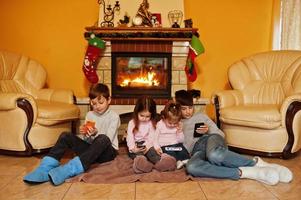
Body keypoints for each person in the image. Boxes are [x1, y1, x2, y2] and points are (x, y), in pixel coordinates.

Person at [175, 89, 293, 185]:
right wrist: (177, 131)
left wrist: (208, 130)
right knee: (192, 167)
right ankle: (244, 173)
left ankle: (256, 163)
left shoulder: (201, 116)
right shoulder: (174, 124)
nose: (188, 112)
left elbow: (220, 134)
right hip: (197, 150)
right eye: (184, 109)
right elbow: (177, 147)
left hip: (211, 139)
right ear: (177, 108)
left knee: (214, 155)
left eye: (190, 107)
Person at [24, 83, 120, 186]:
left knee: (102, 138)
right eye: (94, 103)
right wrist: (87, 135)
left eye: (101, 103)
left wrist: (95, 133)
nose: (97, 106)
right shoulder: (90, 115)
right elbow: (87, 141)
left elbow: (107, 140)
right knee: (66, 135)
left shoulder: (114, 117)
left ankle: (69, 170)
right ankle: (45, 168)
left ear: (109, 100)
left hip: (108, 152)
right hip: (92, 151)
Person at [126, 96, 176, 173]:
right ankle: (141, 164)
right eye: (141, 115)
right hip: (136, 145)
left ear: (152, 115)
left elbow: (152, 137)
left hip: (148, 144)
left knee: (153, 153)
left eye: (147, 116)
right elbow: (130, 137)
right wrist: (133, 148)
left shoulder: (151, 123)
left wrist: (147, 146)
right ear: (137, 113)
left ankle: (162, 162)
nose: (144, 118)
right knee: (138, 156)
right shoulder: (132, 123)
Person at [153, 101, 190, 170]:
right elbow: (155, 138)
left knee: (182, 150)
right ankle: (177, 161)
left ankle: (185, 160)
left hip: (176, 145)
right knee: (170, 152)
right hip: (165, 146)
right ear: (164, 118)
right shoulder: (160, 124)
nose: (172, 125)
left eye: (175, 123)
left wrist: (180, 131)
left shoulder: (178, 125)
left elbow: (181, 140)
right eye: (170, 123)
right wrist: (157, 147)